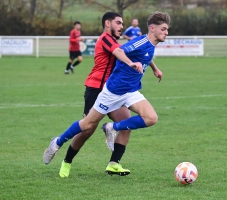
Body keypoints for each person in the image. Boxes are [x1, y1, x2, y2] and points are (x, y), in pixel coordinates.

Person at [44, 11, 169, 176]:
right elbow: (121, 52)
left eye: (123, 23)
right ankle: (61, 151)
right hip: (99, 88)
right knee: (87, 128)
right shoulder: (106, 39)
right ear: (108, 23)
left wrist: (154, 68)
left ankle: (113, 162)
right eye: (118, 23)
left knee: (129, 123)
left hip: (125, 89)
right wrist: (131, 63)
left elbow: (142, 51)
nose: (122, 26)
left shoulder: (135, 42)